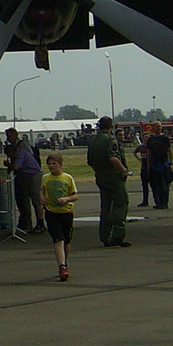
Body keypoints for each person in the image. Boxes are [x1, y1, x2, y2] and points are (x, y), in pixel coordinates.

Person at [87, 116, 131, 247]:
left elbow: (90, 161)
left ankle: (105, 235)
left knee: (106, 207)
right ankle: (118, 235)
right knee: (120, 203)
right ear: (110, 126)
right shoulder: (110, 140)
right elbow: (113, 158)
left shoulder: (93, 141)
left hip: (100, 176)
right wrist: (123, 170)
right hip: (112, 176)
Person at [41, 153, 78, 281]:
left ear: (60, 165)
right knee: (58, 240)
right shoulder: (45, 178)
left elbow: (75, 195)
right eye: (49, 164)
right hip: (52, 213)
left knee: (66, 241)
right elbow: (42, 190)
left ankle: (65, 263)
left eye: (54, 163)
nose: (51, 166)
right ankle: (62, 266)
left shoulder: (67, 178)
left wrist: (66, 199)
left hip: (66, 213)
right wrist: (42, 197)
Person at [4, 127, 45, 234]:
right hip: (25, 175)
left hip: (33, 174)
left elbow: (18, 165)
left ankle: (40, 223)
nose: (8, 139)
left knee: (36, 199)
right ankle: (27, 222)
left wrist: (10, 165)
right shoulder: (18, 149)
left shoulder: (21, 149)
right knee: (24, 199)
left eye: (8, 136)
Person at [144, 124, 173, 208]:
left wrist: (171, 163)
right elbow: (149, 152)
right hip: (154, 164)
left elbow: (170, 151)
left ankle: (164, 203)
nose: (159, 128)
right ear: (154, 128)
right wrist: (148, 164)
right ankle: (158, 202)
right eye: (157, 127)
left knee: (164, 184)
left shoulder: (165, 138)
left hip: (163, 163)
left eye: (160, 127)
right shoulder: (151, 139)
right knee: (156, 184)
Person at [133, 134, 154, 208]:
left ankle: (157, 200)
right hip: (143, 167)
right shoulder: (141, 147)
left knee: (153, 185)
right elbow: (134, 152)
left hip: (151, 167)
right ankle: (145, 201)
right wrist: (139, 159)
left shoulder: (151, 146)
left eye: (148, 137)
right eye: (145, 137)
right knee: (144, 185)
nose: (147, 138)